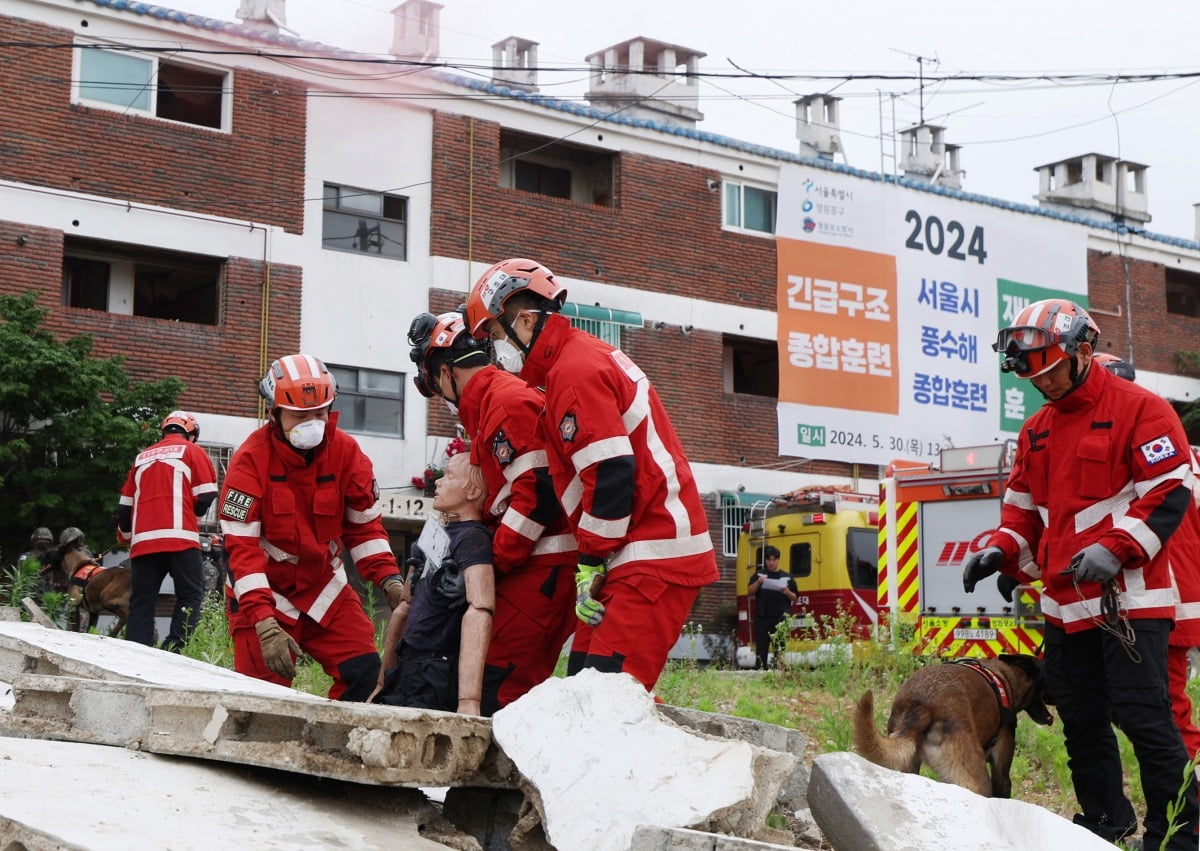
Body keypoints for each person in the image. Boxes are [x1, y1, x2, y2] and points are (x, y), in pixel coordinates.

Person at [962, 299, 1198, 849]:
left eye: (1048, 372)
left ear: (1082, 352)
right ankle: (1104, 823)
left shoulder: (1142, 410)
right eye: (1030, 376)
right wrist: (1001, 550)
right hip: (1064, 607)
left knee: (1146, 722)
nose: (1040, 386)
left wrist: (1117, 550)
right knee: (1082, 722)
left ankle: (1180, 838)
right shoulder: (1037, 430)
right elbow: (1022, 510)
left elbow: (1168, 490)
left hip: (1130, 602)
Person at [466, 257, 719, 692]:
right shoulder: (572, 365)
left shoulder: (574, 372)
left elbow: (611, 473)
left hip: (653, 553)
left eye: (494, 334)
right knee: (585, 684)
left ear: (524, 321)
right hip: (638, 550)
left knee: (603, 696)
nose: (495, 350)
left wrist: (589, 560)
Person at [407, 309, 577, 715]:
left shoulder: (504, 402)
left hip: (539, 570)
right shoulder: (490, 405)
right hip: (533, 569)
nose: (440, 396)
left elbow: (536, 494)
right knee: (488, 682)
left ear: (445, 373)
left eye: (434, 385)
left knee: (498, 692)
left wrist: (489, 561)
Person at [218, 354, 404, 701]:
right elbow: (241, 551)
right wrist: (262, 620)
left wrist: (390, 581)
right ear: (275, 414)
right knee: (264, 700)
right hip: (265, 592)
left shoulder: (347, 453)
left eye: (320, 413)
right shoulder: (248, 462)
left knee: (365, 674)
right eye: (301, 416)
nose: (313, 424)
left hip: (323, 586)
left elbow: (364, 529)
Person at [373, 453, 495, 714]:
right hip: (407, 666)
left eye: (449, 476)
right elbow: (404, 607)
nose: (438, 483)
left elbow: (480, 610)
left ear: (473, 491)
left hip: (437, 670)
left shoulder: (472, 538)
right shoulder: (431, 537)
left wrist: (469, 701)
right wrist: (381, 683)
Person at [116, 411, 218, 652]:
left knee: (141, 601)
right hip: (180, 539)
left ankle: (136, 654)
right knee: (191, 596)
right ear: (191, 434)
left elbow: (124, 507)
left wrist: (127, 535)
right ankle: (173, 650)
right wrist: (193, 511)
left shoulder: (141, 457)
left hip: (143, 544)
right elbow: (206, 494)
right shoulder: (193, 451)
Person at [747, 545, 798, 669]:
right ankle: (761, 669)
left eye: (774, 560)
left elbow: (795, 597)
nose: (771, 562)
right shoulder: (760, 574)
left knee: (779, 648)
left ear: (778, 560)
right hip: (763, 617)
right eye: (769, 560)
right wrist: (759, 582)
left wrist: (787, 591)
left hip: (780, 618)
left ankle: (779, 671)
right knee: (762, 648)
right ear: (765, 561)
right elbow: (750, 591)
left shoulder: (787, 577)